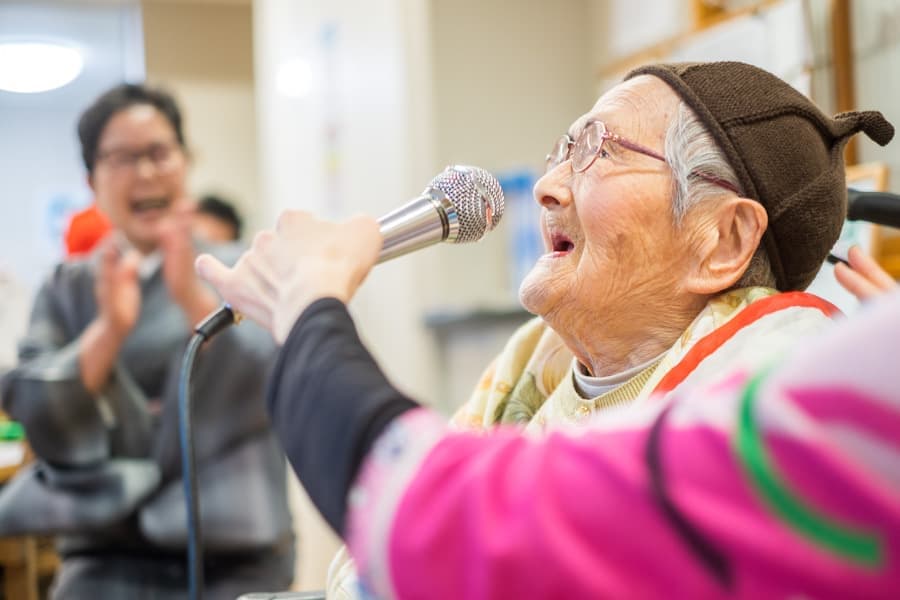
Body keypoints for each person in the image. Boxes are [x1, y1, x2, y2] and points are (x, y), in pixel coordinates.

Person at [197, 61, 896, 597]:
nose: (547, 185)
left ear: (722, 240)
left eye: (600, 150)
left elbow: (449, 531)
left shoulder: (773, 381)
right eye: (562, 148)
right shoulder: (535, 362)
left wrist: (311, 305)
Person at [0, 83, 294, 599]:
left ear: (185, 161)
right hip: (102, 552)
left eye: (159, 152)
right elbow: (33, 408)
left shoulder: (243, 265)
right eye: (122, 158)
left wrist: (193, 301)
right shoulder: (66, 286)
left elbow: (283, 381)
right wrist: (107, 330)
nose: (145, 173)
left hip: (233, 550)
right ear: (92, 180)